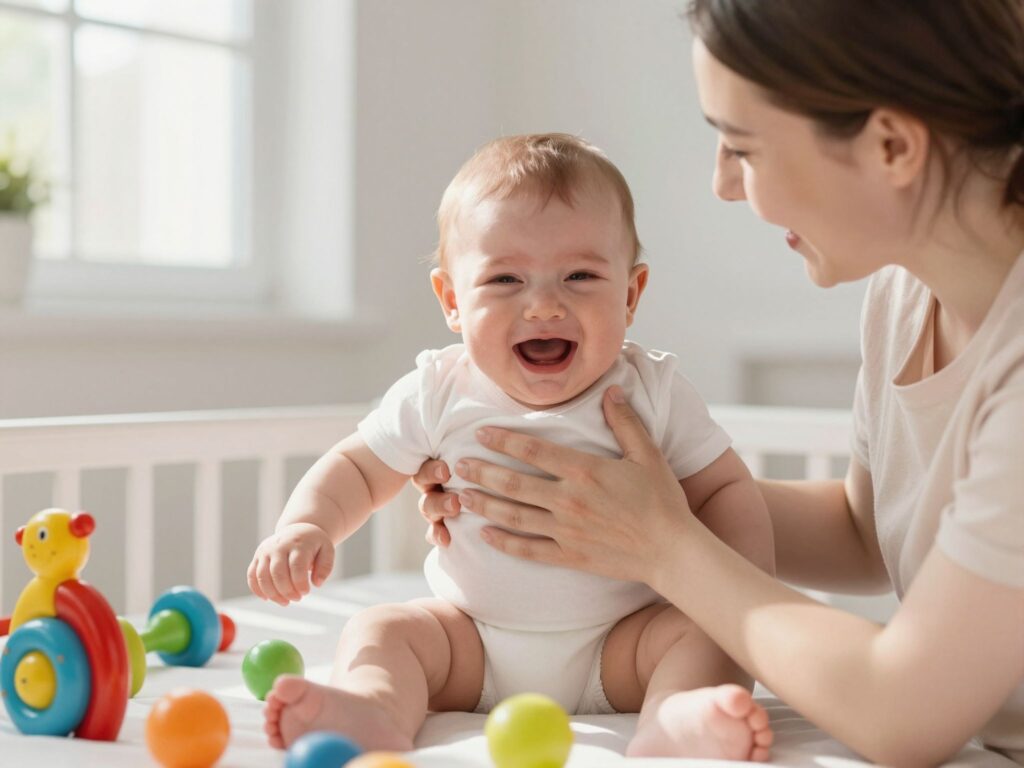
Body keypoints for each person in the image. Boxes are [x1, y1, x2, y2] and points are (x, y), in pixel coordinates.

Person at [413, 2, 1024, 765]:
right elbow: (866, 533)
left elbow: (901, 712)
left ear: (892, 145)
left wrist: (663, 543)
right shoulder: (906, 296)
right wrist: (573, 493)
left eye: (742, 147)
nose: (724, 184)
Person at [247, 133, 776, 759]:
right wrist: (306, 525)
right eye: (505, 279)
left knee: (707, 634)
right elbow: (357, 470)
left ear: (631, 294)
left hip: (625, 644)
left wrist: (748, 593)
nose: (545, 305)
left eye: (580, 275)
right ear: (452, 301)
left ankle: (675, 718)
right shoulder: (437, 389)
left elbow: (723, 490)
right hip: (470, 642)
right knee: (381, 628)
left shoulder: (652, 392)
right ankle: (376, 707)